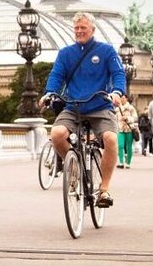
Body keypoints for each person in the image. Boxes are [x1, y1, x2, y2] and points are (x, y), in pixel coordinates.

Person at [40, 12, 125, 208]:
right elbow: (56, 76)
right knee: (57, 134)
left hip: (100, 105)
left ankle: (104, 189)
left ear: (92, 30)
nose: (79, 31)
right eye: (76, 28)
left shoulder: (106, 51)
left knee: (111, 139)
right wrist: (49, 93)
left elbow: (118, 74)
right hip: (74, 106)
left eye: (83, 28)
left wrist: (117, 92)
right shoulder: (65, 53)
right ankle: (74, 167)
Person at [116, 94, 138, 169]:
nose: (121, 100)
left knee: (129, 146)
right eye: (120, 98)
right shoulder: (117, 109)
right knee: (120, 145)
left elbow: (135, 118)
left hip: (129, 129)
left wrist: (128, 118)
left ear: (126, 99)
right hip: (120, 129)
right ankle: (121, 162)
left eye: (123, 98)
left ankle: (128, 162)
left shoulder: (131, 108)